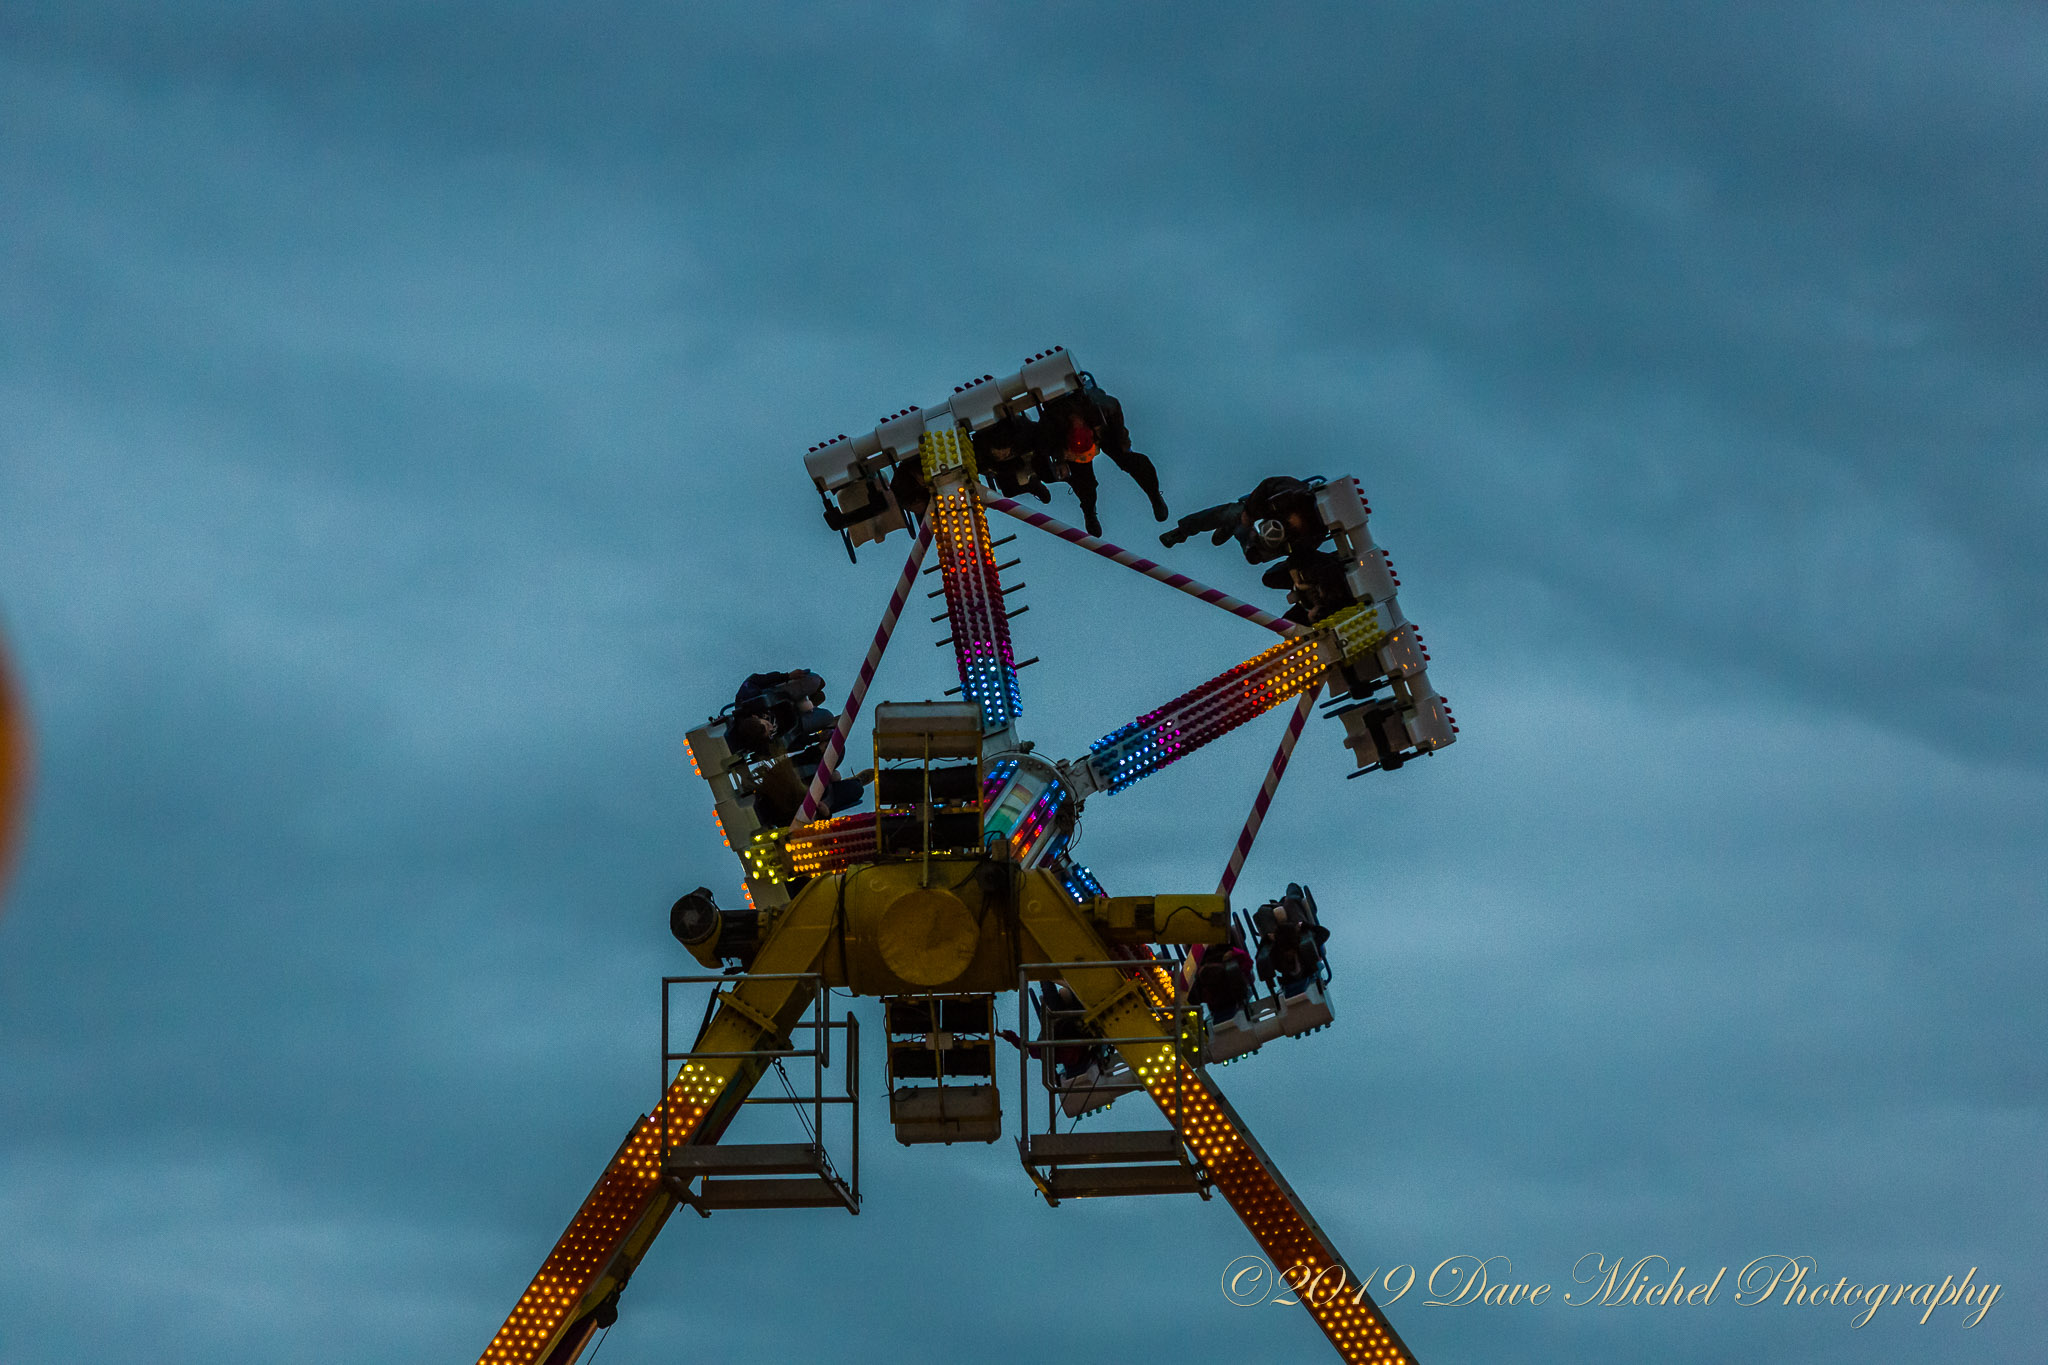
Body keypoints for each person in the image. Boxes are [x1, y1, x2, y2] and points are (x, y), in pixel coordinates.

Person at [725, 670, 870, 826]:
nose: (771, 728)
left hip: (788, 704)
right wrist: (825, 814)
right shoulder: (785, 812)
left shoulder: (776, 776)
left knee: (815, 681)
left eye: (766, 725)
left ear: (755, 717)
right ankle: (847, 778)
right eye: (768, 732)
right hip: (811, 767)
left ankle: (810, 703)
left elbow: (753, 680)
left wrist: (786, 676)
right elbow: (807, 823)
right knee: (853, 784)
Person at [1036, 373, 1169, 537]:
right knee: (1084, 482)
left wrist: (1122, 440)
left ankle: (1154, 494)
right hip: (1067, 445)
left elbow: (1115, 408)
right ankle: (1089, 511)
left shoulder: (1102, 407)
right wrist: (1060, 461)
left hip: (1104, 429)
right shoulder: (1049, 429)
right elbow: (1043, 450)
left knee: (1130, 460)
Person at [1254, 884, 1331, 996]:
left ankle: (1281, 903)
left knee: (1263, 911)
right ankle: (1286, 900)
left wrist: (1268, 938)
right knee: (1291, 900)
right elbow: (1324, 933)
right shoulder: (1306, 951)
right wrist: (1304, 926)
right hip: (1294, 933)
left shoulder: (1278, 958)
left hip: (1282, 936)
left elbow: (1260, 957)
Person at [1186, 932, 1255, 1025]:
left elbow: (1246, 963)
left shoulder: (1228, 948)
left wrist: (1232, 955)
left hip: (1231, 988)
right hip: (1216, 996)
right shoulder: (1198, 957)